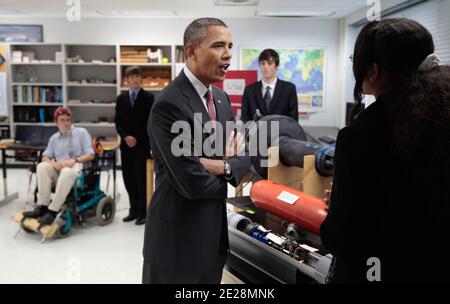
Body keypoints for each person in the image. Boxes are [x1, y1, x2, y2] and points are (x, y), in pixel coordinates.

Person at [320, 18, 450, 283]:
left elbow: (344, 236)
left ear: (374, 71)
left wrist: (339, 204)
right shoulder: (442, 115)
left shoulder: (362, 135)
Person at [142, 17, 250, 284]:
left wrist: (222, 166)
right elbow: (192, 183)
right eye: (218, 46)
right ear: (191, 51)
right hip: (176, 247)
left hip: (213, 242)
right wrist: (229, 173)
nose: (227, 55)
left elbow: (244, 157)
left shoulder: (222, 100)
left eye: (230, 46)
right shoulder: (169, 105)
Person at [22, 107, 95, 225]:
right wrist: (54, 164)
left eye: (68, 119)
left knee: (66, 171)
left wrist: (75, 160)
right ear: (56, 122)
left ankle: (52, 211)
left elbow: (91, 155)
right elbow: (45, 157)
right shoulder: (54, 138)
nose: (66, 123)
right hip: (60, 173)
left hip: (78, 174)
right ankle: (42, 207)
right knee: (42, 166)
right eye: (62, 120)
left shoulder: (81, 132)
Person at [115, 66, 154, 225]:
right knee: (128, 179)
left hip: (141, 146)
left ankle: (143, 212)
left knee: (141, 180)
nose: (135, 79)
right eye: (132, 77)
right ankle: (132, 210)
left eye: (138, 76)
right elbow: (118, 121)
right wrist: (125, 137)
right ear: (127, 80)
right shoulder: (121, 99)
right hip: (126, 147)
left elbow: (149, 122)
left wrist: (136, 138)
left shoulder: (148, 98)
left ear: (141, 78)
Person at [241, 48, 298, 123]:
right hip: (256, 134)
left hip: (282, 134)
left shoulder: (289, 89)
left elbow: (293, 121)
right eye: (263, 63)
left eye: (270, 63)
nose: (265, 67)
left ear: (277, 66)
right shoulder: (249, 90)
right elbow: (245, 120)